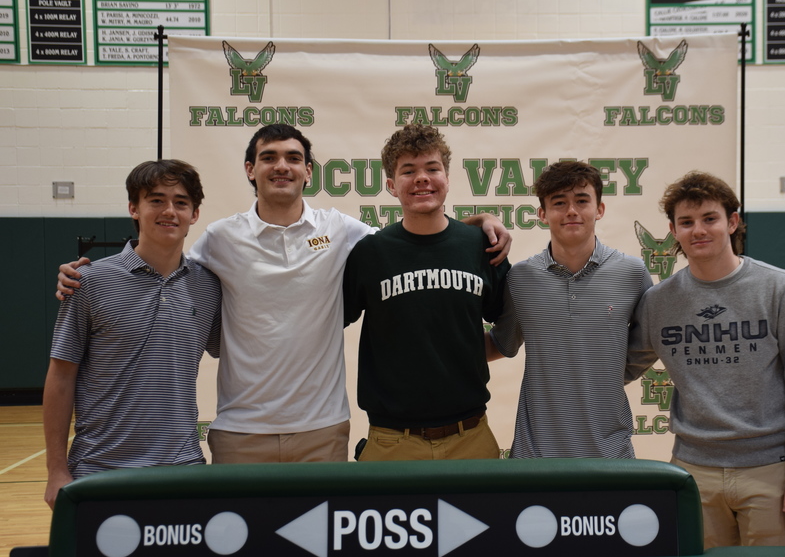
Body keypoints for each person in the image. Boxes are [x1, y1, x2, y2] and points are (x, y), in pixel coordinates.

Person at [56, 124, 510, 464]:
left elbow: (418, 237)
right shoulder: (219, 238)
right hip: (240, 430)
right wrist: (103, 272)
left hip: (323, 427)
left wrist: (478, 223)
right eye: (269, 157)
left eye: (293, 157)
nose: (282, 165)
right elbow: (166, 266)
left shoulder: (345, 233)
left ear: (308, 171)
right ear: (251, 170)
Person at [626, 171, 785, 547]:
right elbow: (620, 367)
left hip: (772, 470)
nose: (698, 230)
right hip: (693, 472)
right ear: (673, 230)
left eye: (709, 219)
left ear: (732, 222)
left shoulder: (780, 289)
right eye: (686, 222)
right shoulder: (658, 302)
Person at [43, 160, 221, 508]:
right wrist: (56, 470)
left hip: (182, 468)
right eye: (156, 200)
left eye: (181, 202)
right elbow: (61, 377)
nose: (169, 211)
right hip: (99, 471)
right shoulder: (89, 281)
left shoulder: (209, 286)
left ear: (195, 214)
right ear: (134, 209)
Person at [343, 124, 510, 461]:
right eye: (408, 171)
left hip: (472, 436)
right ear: (391, 185)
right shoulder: (370, 253)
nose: (422, 178)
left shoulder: (481, 246)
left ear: (447, 178)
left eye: (432, 168)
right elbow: (329, 322)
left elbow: (511, 326)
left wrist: (469, 352)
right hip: (391, 439)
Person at [486, 161, 652, 458]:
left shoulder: (632, 272)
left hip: (610, 455)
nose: (571, 211)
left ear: (600, 209)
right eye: (559, 203)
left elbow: (650, 341)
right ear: (542, 213)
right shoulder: (519, 278)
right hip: (534, 457)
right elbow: (503, 343)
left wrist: (609, 373)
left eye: (582, 201)